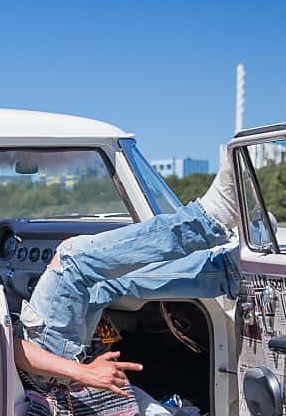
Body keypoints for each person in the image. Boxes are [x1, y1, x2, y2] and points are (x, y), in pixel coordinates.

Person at [14, 149, 244, 394]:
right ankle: (207, 220)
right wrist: (82, 372)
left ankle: (225, 271)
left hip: (34, 367)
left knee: (105, 279)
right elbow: (1, 348)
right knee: (71, 260)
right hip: (38, 376)